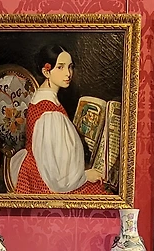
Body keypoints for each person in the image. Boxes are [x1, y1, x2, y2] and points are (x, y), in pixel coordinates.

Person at [8, 45, 108, 194]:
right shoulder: (49, 114)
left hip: (39, 170)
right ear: (46, 71)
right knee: (101, 191)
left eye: (70, 67)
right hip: (44, 182)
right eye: (60, 67)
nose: (68, 73)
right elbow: (58, 177)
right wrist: (85, 176)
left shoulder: (44, 97)